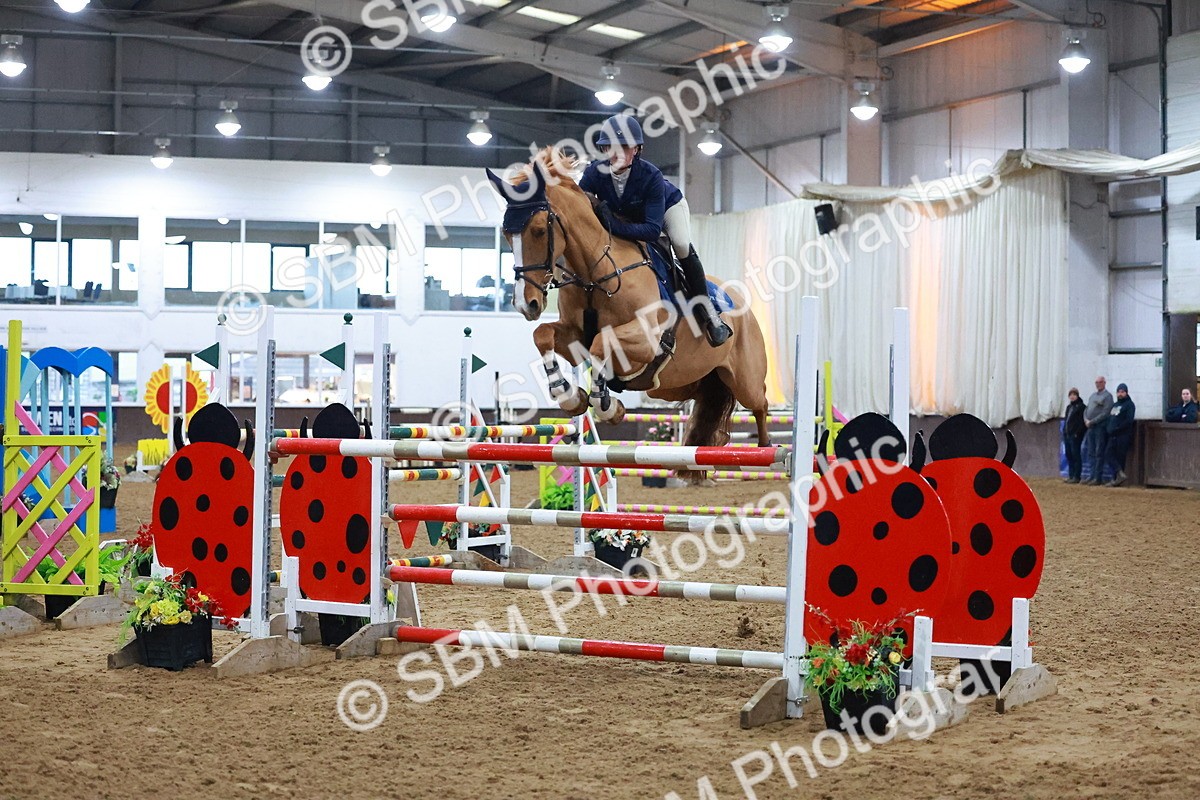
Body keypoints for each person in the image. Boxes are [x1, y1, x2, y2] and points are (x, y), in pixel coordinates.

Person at [578, 114, 732, 347]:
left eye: (625, 147)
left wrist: (612, 224)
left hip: (666, 209)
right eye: (611, 147)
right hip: (626, 218)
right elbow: (580, 207)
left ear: (637, 149)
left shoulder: (651, 176)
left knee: (680, 243)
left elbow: (651, 230)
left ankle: (709, 314)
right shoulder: (593, 173)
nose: (617, 153)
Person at [1082, 376, 1113, 485]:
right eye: (1096, 382)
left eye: (1100, 382)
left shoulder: (1108, 396)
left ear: (1104, 383)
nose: (1098, 384)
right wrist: (1086, 419)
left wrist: (1093, 421)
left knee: (1098, 452)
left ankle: (1097, 477)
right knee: (1091, 452)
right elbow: (1086, 409)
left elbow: (1105, 413)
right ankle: (1091, 476)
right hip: (1090, 427)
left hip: (1100, 427)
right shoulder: (1092, 396)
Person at [1103, 383, 1136, 486]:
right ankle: (1118, 475)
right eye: (1118, 392)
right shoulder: (1115, 405)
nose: (1120, 394)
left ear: (1126, 392)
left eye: (1122, 392)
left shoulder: (1129, 405)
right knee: (1108, 454)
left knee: (1120, 457)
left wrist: (1117, 428)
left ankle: (1117, 480)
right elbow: (1110, 418)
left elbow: (1129, 420)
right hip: (1113, 435)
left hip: (1123, 435)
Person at [1062, 388, 1085, 483]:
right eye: (1071, 395)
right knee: (1069, 454)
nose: (1072, 396)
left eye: (1074, 395)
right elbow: (1067, 420)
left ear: (1077, 395)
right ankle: (1071, 475)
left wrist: (1077, 433)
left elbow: (1081, 422)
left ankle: (1076, 476)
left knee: (1076, 455)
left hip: (1075, 435)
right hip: (1067, 435)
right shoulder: (1069, 407)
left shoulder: (1081, 407)